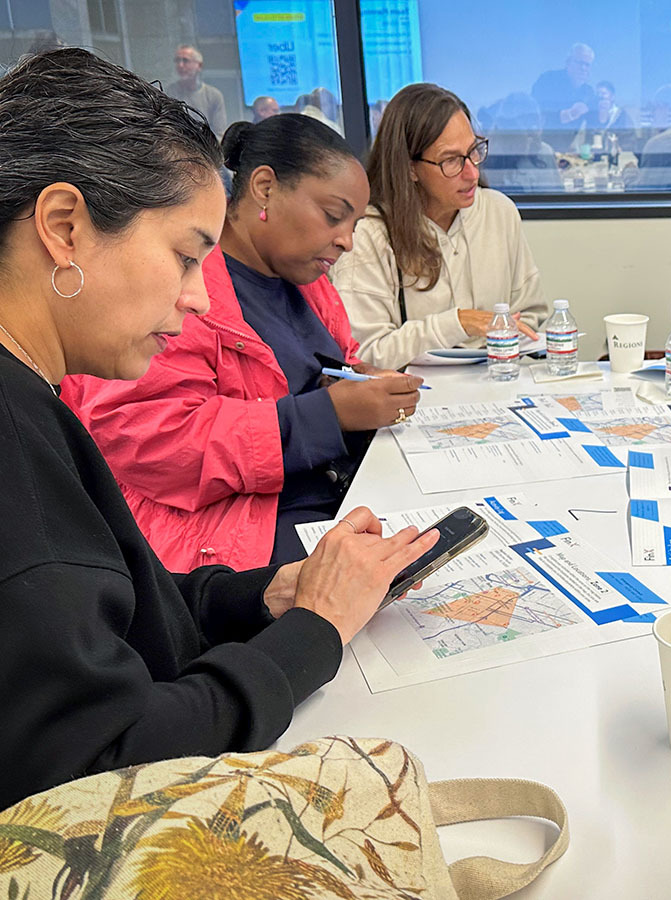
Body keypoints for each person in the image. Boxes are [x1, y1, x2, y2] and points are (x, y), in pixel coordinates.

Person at [0, 48, 439, 811]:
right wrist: (315, 633)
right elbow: (103, 769)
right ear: (64, 228)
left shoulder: (35, 404)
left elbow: (122, 613)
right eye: (183, 257)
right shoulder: (17, 446)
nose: (201, 299)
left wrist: (262, 597)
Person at [63, 114, 423, 569]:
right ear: (265, 188)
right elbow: (151, 442)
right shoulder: (179, 290)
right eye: (333, 217)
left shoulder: (308, 282)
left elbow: (337, 363)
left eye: (354, 224)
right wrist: (327, 415)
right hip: (232, 529)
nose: (347, 241)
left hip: (333, 491)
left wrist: (361, 381)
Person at [330, 83, 546, 369]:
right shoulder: (369, 233)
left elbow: (530, 315)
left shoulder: (499, 211)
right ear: (409, 167)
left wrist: (505, 339)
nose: (472, 172)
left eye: (474, 151)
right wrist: (457, 323)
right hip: (416, 398)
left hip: (498, 379)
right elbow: (365, 353)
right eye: (451, 161)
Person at [531, 43, 596, 151]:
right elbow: (533, 112)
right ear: (568, 63)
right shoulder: (547, 80)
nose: (584, 68)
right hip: (539, 148)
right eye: (580, 63)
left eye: (587, 65)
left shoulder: (588, 92)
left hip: (566, 152)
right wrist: (564, 115)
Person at [165, 44, 226, 136]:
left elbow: (219, 133)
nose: (180, 65)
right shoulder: (169, 92)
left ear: (199, 66)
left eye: (185, 60)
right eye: (177, 61)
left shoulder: (214, 95)